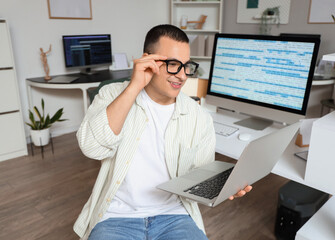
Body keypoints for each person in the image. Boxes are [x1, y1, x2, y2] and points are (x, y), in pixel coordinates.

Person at [74, 24, 252, 240]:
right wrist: (134, 87)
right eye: (173, 65)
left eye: (186, 66)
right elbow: (92, 148)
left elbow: (201, 174)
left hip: (174, 216)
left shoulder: (199, 116)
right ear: (148, 61)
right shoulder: (112, 94)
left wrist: (224, 186)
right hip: (116, 217)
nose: (182, 76)